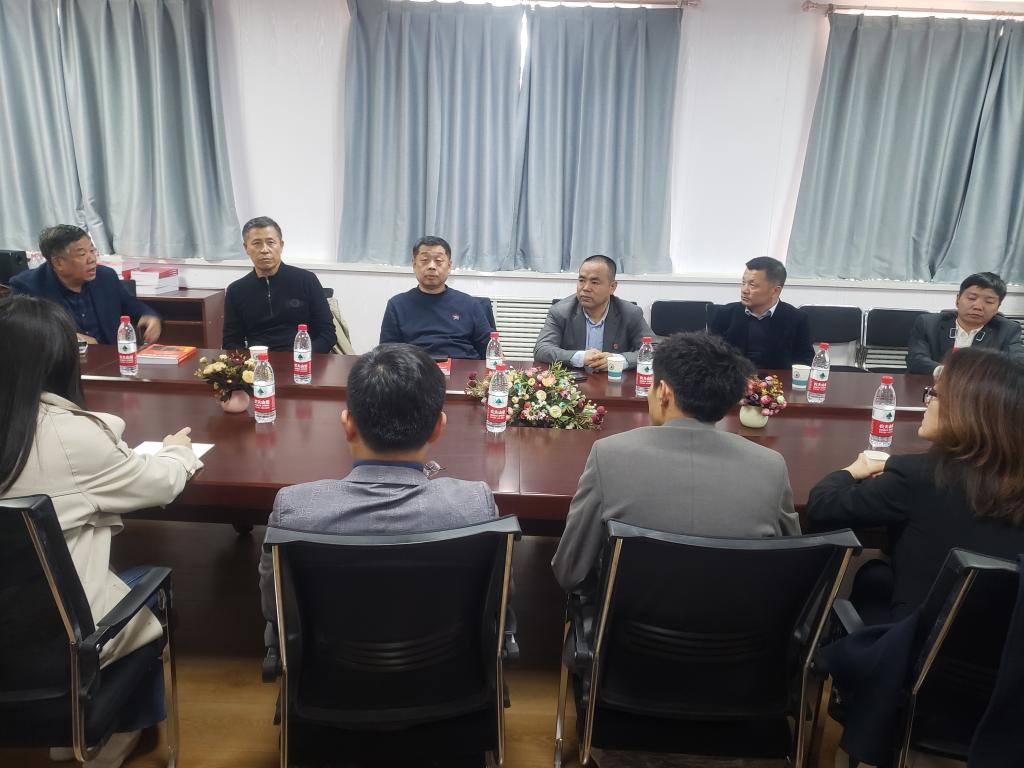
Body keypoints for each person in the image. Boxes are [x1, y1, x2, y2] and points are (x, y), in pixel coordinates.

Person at [0, 295, 200, 768]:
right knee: (148, 590)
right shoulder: (68, 436)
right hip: (57, 644)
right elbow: (158, 484)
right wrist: (177, 452)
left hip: (11, 627)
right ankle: (106, 735)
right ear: (60, 359)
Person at [257, 342, 499, 631]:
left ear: (348, 424)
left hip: (330, 660)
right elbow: (497, 607)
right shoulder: (475, 506)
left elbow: (275, 610)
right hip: (448, 660)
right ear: (439, 427)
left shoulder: (294, 510)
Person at [551, 331, 801, 595]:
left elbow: (570, 572)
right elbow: (792, 568)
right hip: (740, 619)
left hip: (626, 620)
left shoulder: (608, 455)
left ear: (664, 393)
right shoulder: (771, 466)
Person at [807, 347, 1024, 624]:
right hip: (1004, 641)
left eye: (934, 394)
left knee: (873, 576)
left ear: (962, 411)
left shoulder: (918, 476)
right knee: (877, 575)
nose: (927, 402)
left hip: (919, 640)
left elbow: (822, 506)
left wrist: (853, 470)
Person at [10, 224, 161, 345]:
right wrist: (72, 338)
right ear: (58, 262)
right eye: (82, 254)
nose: (92, 259)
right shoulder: (28, 286)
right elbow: (27, 332)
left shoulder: (106, 277)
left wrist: (150, 317)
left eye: (92, 251)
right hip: (64, 365)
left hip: (110, 360)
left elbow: (134, 307)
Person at [222, 216, 336, 352]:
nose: (264, 250)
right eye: (257, 243)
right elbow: (231, 342)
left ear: (281, 245)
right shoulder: (236, 291)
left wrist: (302, 357)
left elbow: (327, 334)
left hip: (303, 358)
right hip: (257, 360)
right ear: (246, 248)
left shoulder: (306, 280)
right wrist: (251, 361)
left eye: (270, 242)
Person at [378, 236, 492, 359]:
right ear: (414, 265)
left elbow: (491, 351)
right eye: (424, 260)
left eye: (438, 261)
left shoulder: (470, 304)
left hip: (462, 367)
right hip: (416, 367)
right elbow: (387, 354)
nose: (431, 266)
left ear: (449, 266)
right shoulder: (397, 305)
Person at [534, 255, 654, 370]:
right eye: (581, 280)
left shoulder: (630, 313)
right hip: (572, 381)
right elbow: (542, 349)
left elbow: (654, 350)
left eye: (595, 282)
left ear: (612, 287)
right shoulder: (560, 311)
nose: (585, 288)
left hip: (614, 380)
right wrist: (580, 357)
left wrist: (617, 360)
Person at [906, 271, 1024, 375]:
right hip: (933, 386)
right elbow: (916, 360)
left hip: (981, 390)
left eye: (989, 302)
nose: (978, 306)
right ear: (958, 299)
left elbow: (1017, 364)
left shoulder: (1007, 329)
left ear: (998, 307)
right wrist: (947, 373)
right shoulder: (928, 324)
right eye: (972, 298)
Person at [708, 256, 813, 370]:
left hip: (778, 380)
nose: (744, 290)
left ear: (775, 290)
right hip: (734, 379)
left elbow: (805, 362)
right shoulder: (725, 314)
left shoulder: (797, 319)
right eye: (743, 283)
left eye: (752, 285)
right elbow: (709, 356)